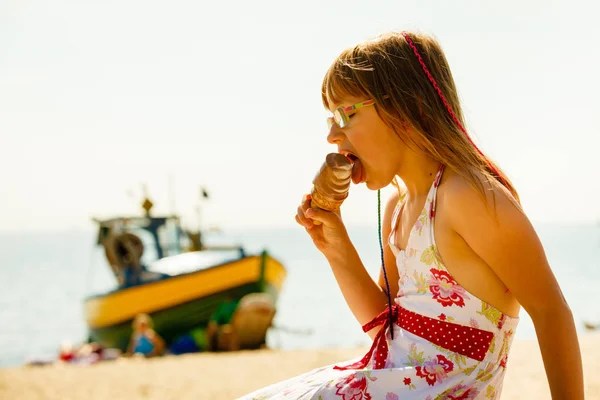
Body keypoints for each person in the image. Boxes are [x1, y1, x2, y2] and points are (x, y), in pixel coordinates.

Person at [240, 31, 583, 399]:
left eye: (345, 114)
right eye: (330, 120)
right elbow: (385, 333)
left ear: (407, 108)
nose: (332, 136)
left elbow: (550, 311)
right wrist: (335, 247)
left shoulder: (468, 197)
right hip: (387, 379)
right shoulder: (398, 209)